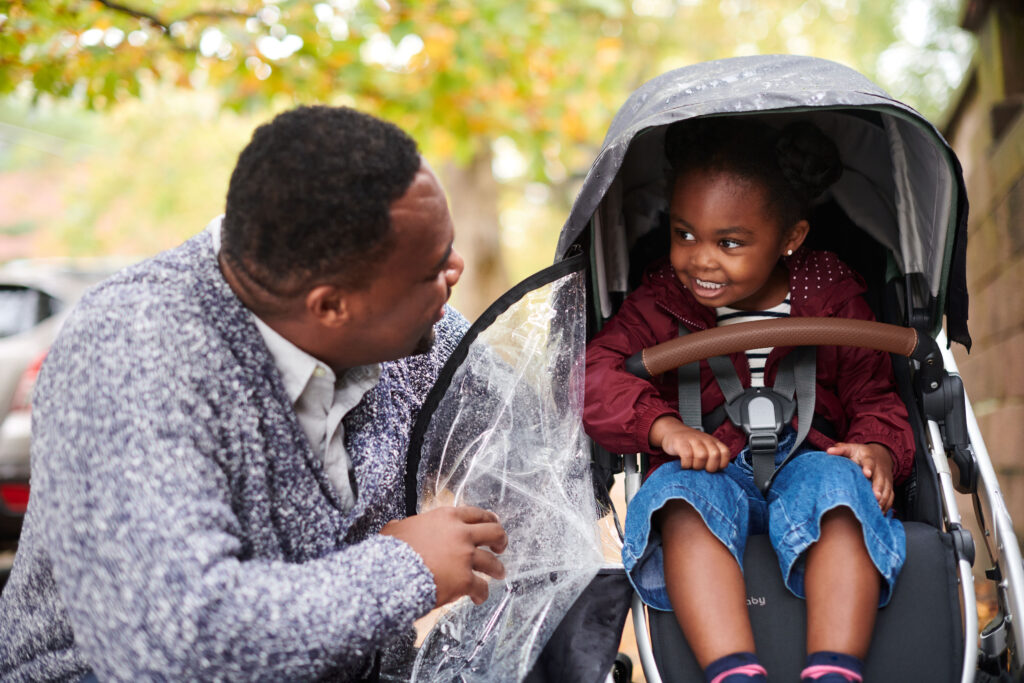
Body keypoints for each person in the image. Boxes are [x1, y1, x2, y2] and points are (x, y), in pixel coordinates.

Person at [0, 105, 507, 681]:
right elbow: (176, 642)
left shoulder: (415, 328)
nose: (457, 268)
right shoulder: (134, 349)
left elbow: (520, 440)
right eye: (432, 267)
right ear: (330, 305)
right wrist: (406, 567)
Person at [583, 117, 915, 683]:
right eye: (684, 233)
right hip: (707, 465)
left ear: (791, 237)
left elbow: (873, 392)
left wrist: (879, 448)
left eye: (729, 243)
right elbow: (594, 374)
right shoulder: (660, 300)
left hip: (814, 458)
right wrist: (663, 426)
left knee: (842, 488)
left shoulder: (831, 294)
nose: (701, 259)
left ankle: (835, 668)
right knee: (676, 497)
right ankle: (733, 670)